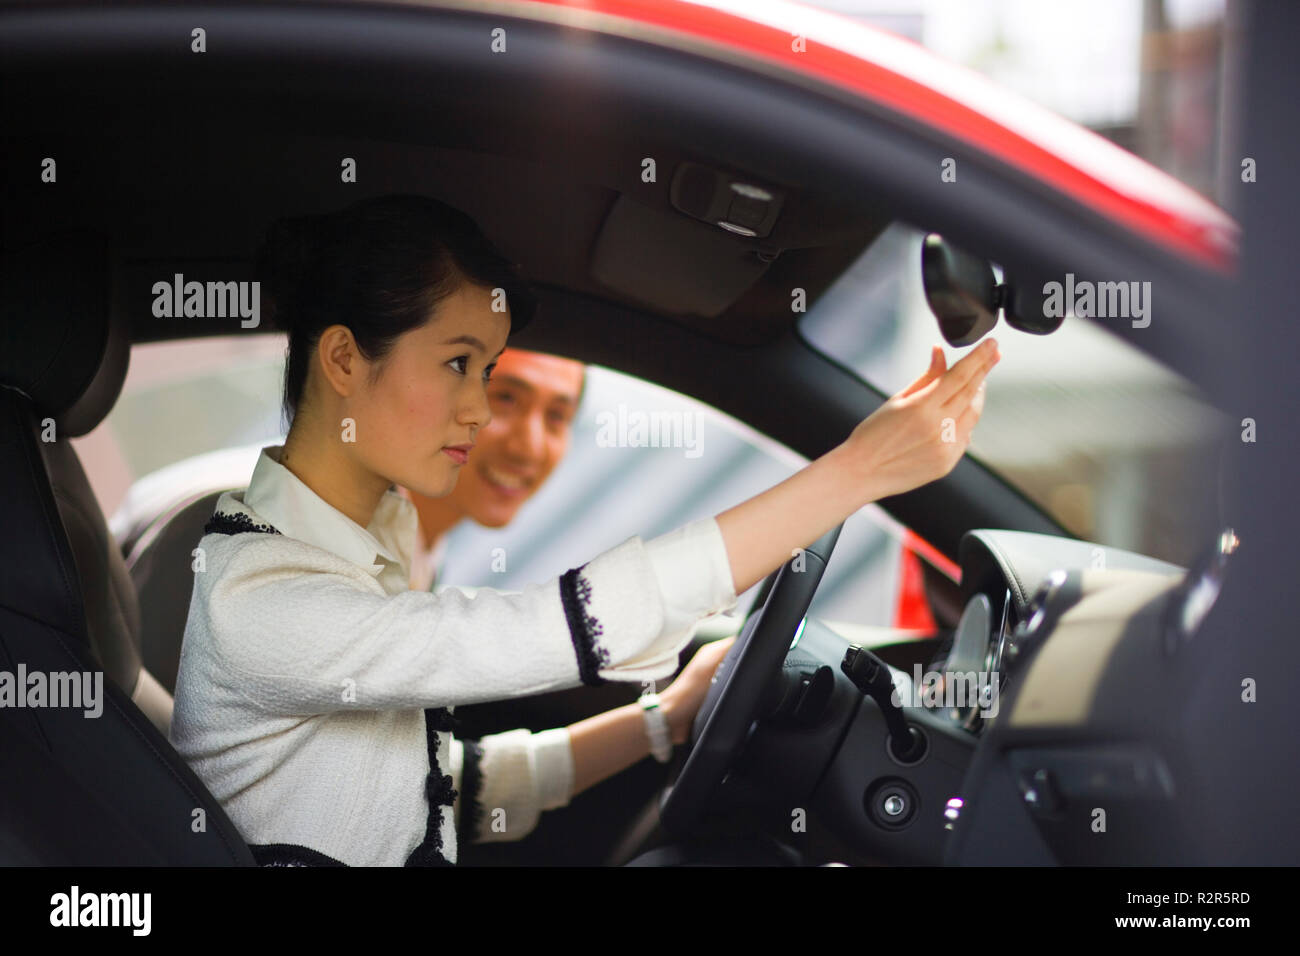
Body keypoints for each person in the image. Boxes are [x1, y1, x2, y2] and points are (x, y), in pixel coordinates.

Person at [169, 194, 999, 867]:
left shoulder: (366, 547)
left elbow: (445, 793)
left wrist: (662, 721)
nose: (481, 409)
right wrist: (855, 472)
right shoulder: (261, 601)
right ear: (345, 361)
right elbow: (555, 627)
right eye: (458, 363)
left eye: (487, 371)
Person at [402, 347, 587, 592]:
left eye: (556, 416)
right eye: (505, 398)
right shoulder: (355, 541)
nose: (529, 449)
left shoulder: (424, 558)